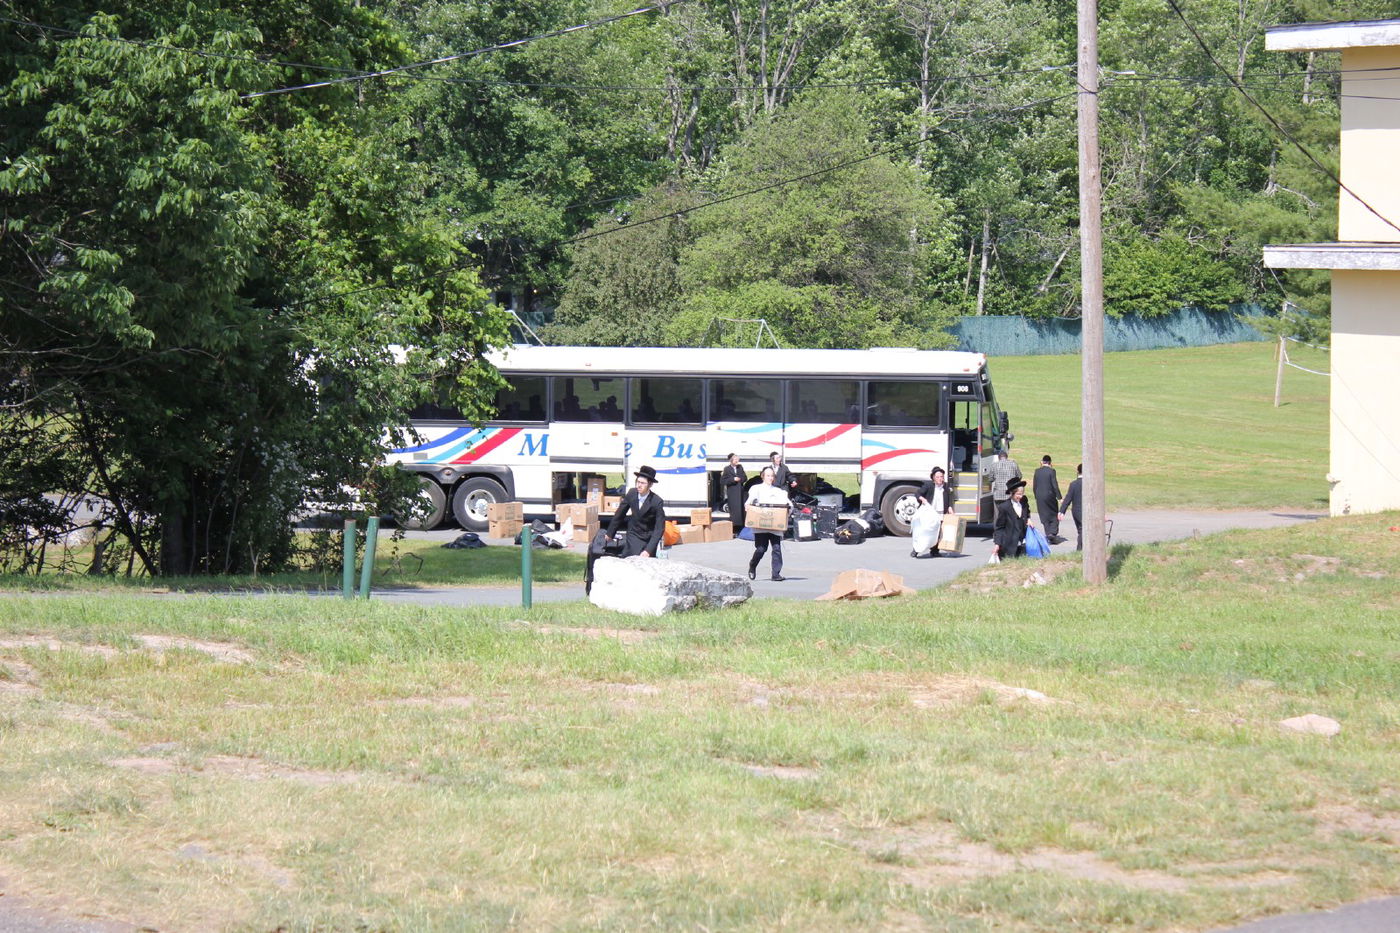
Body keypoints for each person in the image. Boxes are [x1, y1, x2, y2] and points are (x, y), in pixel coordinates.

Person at [605, 465, 666, 558]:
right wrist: (610, 533)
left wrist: (648, 550)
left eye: (642, 483)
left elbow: (659, 529)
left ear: (650, 484)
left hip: (647, 539)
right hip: (633, 534)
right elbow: (620, 514)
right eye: (638, 482)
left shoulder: (656, 502)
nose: (639, 485)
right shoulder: (632, 493)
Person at [745, 465, 789, 581]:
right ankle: (752, 565)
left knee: (776, 549)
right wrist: (748, 506)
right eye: (768, 475)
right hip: (761, 525)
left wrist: (788, 509)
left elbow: (787, 504)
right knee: (761, 549)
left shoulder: (779, 491)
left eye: (772, 476)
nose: (770, 478)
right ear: (763, 476)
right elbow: (749, 501)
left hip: (775, 525)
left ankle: (776, 574)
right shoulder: (756, 488)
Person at [911, 467, 957, 558]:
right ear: (933, 478)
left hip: (940, 512)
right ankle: (916, 550)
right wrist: (922, 499)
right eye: (938, 477)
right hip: (929, 513)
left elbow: (950, 498)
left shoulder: (946, 486)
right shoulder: (928, 486)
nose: (940, 479)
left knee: (938, 532)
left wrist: (950, 507)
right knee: (924, 531)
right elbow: (917, 494)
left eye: (942, 477)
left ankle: (935, 550)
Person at [992, 477, 1031, 560]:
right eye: (1018, 494)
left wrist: (1029, 519)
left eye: (1022, 494)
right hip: (1009, 545)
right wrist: (997, 544)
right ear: (1012, 493)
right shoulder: (1004, 507)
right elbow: (999, 528)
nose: (1020, 496)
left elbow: (1027, 512)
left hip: (1023, 544)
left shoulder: (1024, 501)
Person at [1033, 455, 1064, 543]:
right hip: (1049, 495)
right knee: (1053, 513)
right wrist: (1059, 497)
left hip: (1039, 496)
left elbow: (1035, 485)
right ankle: (1053, 532)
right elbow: (1055, 485)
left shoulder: (1037, 471)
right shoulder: (1051, 471)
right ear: (1050, 463)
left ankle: (1048, 533)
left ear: (1042, 462)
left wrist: (1036, 495)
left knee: (1043, 514)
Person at [1058, 463, 1084, 551]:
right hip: (1085, 511)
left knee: (1081, 530)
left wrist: (1061, 511)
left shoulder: (1073, 484)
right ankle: (1080, 549)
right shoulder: (1090, 483)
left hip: (1076, 511)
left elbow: (1068, 498)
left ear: (1078, 471)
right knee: (1084, 531)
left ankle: (1080, 549)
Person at [721, 452, 747, 529]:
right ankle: (734, 527)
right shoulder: (727, 469)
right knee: (734, 511)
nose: (736, 461)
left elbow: (745, 477)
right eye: (735, 460)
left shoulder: (740, 467)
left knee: (741, 510)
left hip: (740, 492)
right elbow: (723, 481)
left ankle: (741, 526)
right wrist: (733, 479)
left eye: (737, 460)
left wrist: (740, 479)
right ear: (731, 461)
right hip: (732, 492)